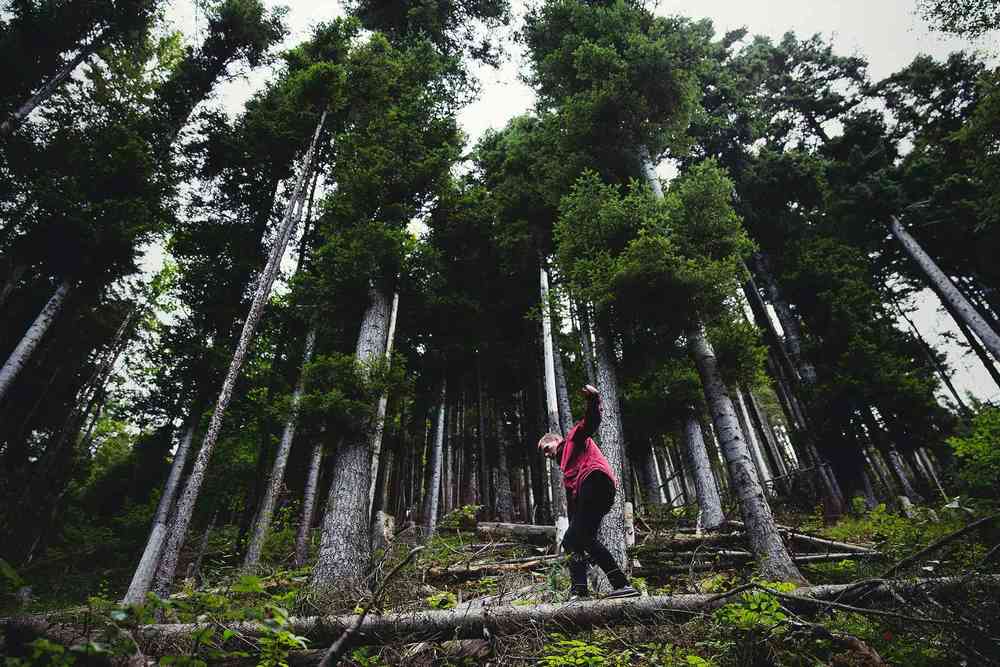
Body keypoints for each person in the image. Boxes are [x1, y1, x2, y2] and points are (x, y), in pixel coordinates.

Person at [538, 384, 639, 600]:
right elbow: (574, 507)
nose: (547, 455)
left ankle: (621, 585)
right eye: (543, 454)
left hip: (596, 481)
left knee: (578, 538)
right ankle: (581, 592)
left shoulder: (572, 440)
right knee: (573, 540)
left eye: (547, 448)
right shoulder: (566, 469)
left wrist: (594, 400)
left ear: (556, 440)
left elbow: (590, 423)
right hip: (594, 491)